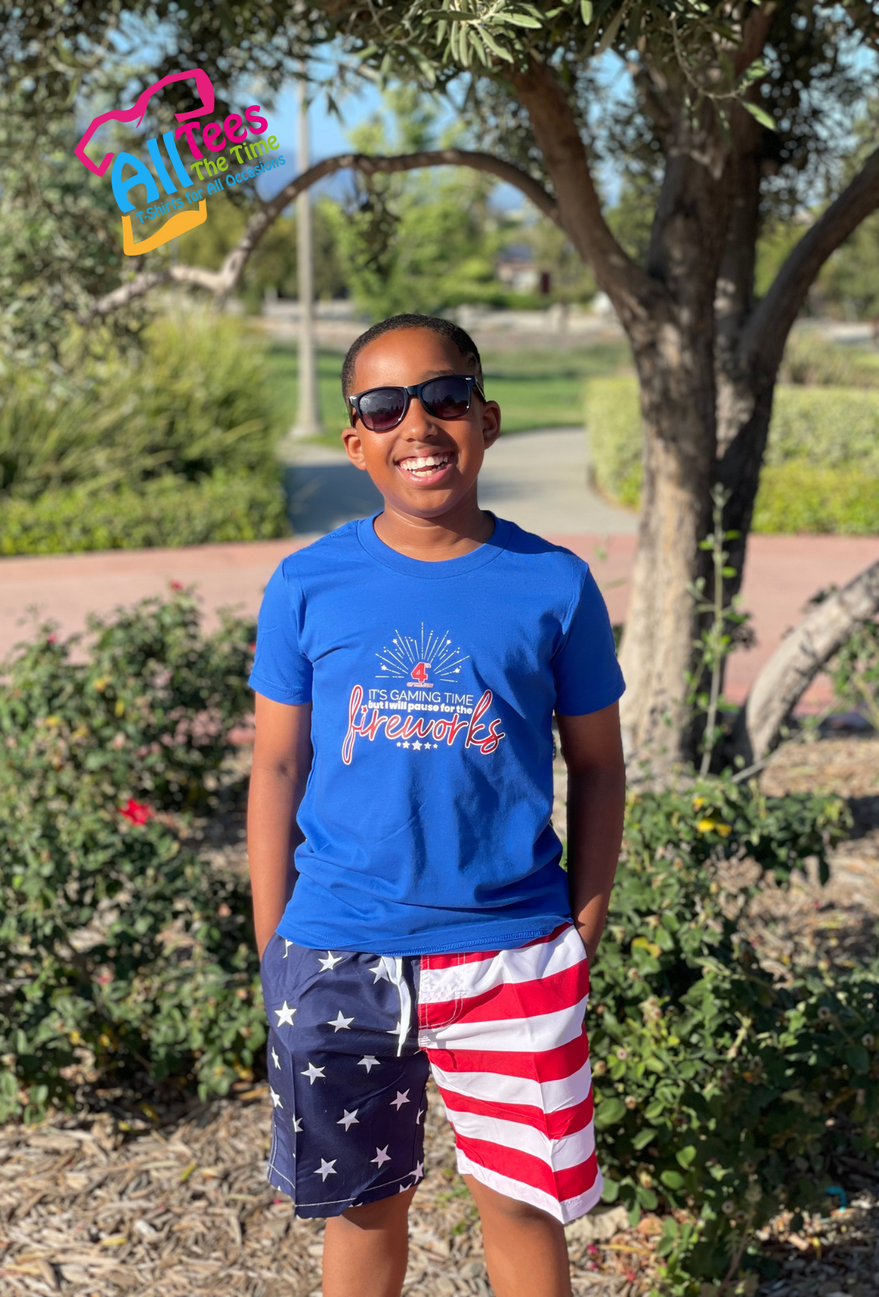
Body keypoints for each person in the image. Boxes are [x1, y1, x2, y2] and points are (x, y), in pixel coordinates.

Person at [247, 313, 627, 1297]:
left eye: (444, 396)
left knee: (520, 1207)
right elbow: (277, 769)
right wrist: (271, 941)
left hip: (513, 949)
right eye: (384, 406)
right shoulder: (307, 583)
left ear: (487, 418)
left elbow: (597, 765)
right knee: (366, 1207)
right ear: (356, 440)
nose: (418, 422)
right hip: (337, 949)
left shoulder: (554, 584)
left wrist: (579, 926)